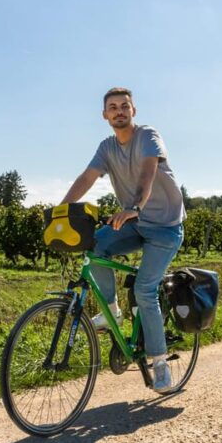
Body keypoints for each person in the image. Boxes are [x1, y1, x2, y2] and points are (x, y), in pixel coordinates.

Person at [59, 87, 185, 392]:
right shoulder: (106, 147)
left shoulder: (147, 136)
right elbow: (86, 178)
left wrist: (133, 208)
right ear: (105, 115)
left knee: (144, 289)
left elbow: (147, 173)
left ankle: (160, 364)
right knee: (96, 245)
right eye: (113, 107)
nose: (119, 111)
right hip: (135, 222)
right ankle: (112, 309)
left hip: (165, 226)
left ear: (133, 111)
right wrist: (61, 211)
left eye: (124, 106)